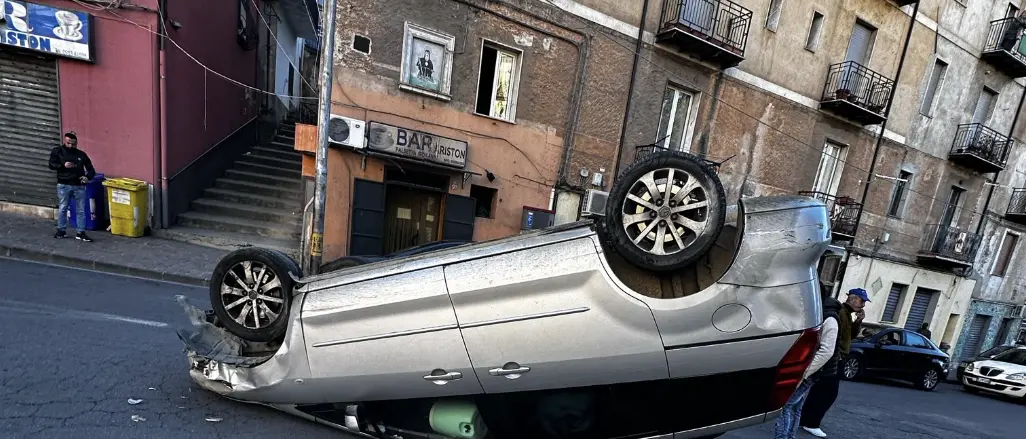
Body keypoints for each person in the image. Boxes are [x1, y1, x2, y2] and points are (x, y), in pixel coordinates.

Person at [799, 288, 869, 438]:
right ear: (852, 298)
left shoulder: (847, 314)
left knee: (821, 391)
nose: (863, 305)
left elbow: (849, 336)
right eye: (861, 301)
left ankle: (806, 419)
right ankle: (811, 422)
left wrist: (858, 321)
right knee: (827, 393)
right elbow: (835, 339)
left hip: (837, 357)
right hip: (835, 358)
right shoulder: (842, 313)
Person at [773, 294, 840, 439]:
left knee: (784, 406)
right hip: (811, 370)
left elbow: (827, 351)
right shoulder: (826, 315)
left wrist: (804, 372)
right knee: (795, 407)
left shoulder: (829, 318)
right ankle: (789, 436)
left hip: (810, 371)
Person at [48, 132, 96, 242]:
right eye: (69, 143)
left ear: (77, 143)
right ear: (65, 141)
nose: (71, 146)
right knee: (63, 208)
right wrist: (62, 166)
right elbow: (51, 165)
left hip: (78, 185)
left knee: (81, 210)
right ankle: (61, 230)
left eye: (73, 144)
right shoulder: (58, 151)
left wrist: (87, 177)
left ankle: (81, 232)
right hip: (64, 184)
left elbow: (91, 169)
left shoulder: (81, 154)